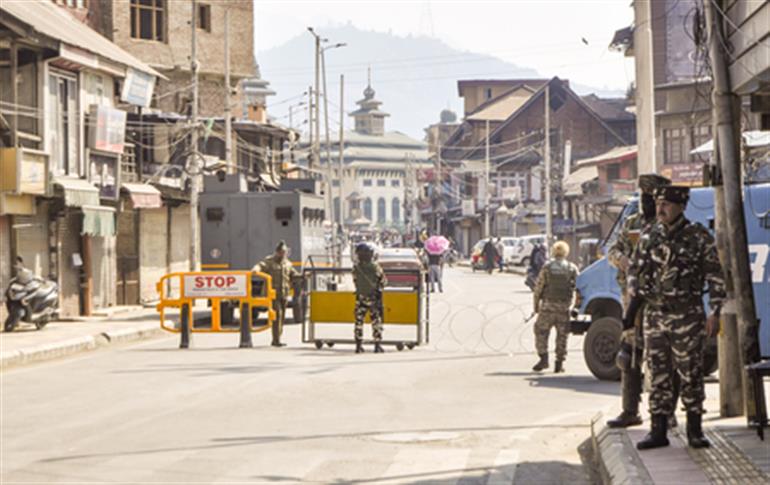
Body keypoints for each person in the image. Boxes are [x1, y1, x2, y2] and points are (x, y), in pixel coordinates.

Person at [630, 186, 725, 450]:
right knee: (657, 372)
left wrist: (715, 312)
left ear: (681, 206)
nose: (660, 209)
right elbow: (635, 268)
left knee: (690, 372)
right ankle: (657, 430)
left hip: (687, 315)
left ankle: (694, 429)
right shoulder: (649, 235)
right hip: (655, 315)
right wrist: (634, 291)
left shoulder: (698, 236)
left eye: (667, 204)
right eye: (659, 203)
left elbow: (716, 276)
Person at [605, 173, 671, 429]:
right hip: (631, 298)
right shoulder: (632, 222)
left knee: (663, 357)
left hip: (659, 301)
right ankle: (630, 410)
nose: (646, 202)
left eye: (651, 197)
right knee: (628, 354)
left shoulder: (668, 225)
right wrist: (621, 259)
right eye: (644, 197)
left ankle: (667, 412)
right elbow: (613, 249)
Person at [531, 241, 579, 373]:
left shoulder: (547, 267)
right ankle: (559, 363)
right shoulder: (571, 268)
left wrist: (535, 306)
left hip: (547, 307)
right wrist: (576, 307)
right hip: (564, 308)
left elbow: (538, 288)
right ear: (566, 252)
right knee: (562, 336)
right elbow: (579, 288)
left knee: (541, 332)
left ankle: (543, 358)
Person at [252, 241, 300, 347]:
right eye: (282, 252)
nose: (283, 254)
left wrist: (304, 276)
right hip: (273, 294)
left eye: (285, 252)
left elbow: (294, 275)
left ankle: (278, 337)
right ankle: (276, 340)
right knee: (277, 315)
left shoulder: (287, 263)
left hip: (284, 293)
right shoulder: (269, 261)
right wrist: (256, 270)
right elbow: (260, 265)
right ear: (277, 252)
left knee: (281, 317)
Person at [352, 242, 387, 353]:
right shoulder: (375, 267)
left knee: (359, 322)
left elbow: (355, 280)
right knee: (376, 321)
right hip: (374, 298)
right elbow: (383, 281)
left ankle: (358, 345)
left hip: (360, 298)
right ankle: (377, 345)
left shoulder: (356, 267)